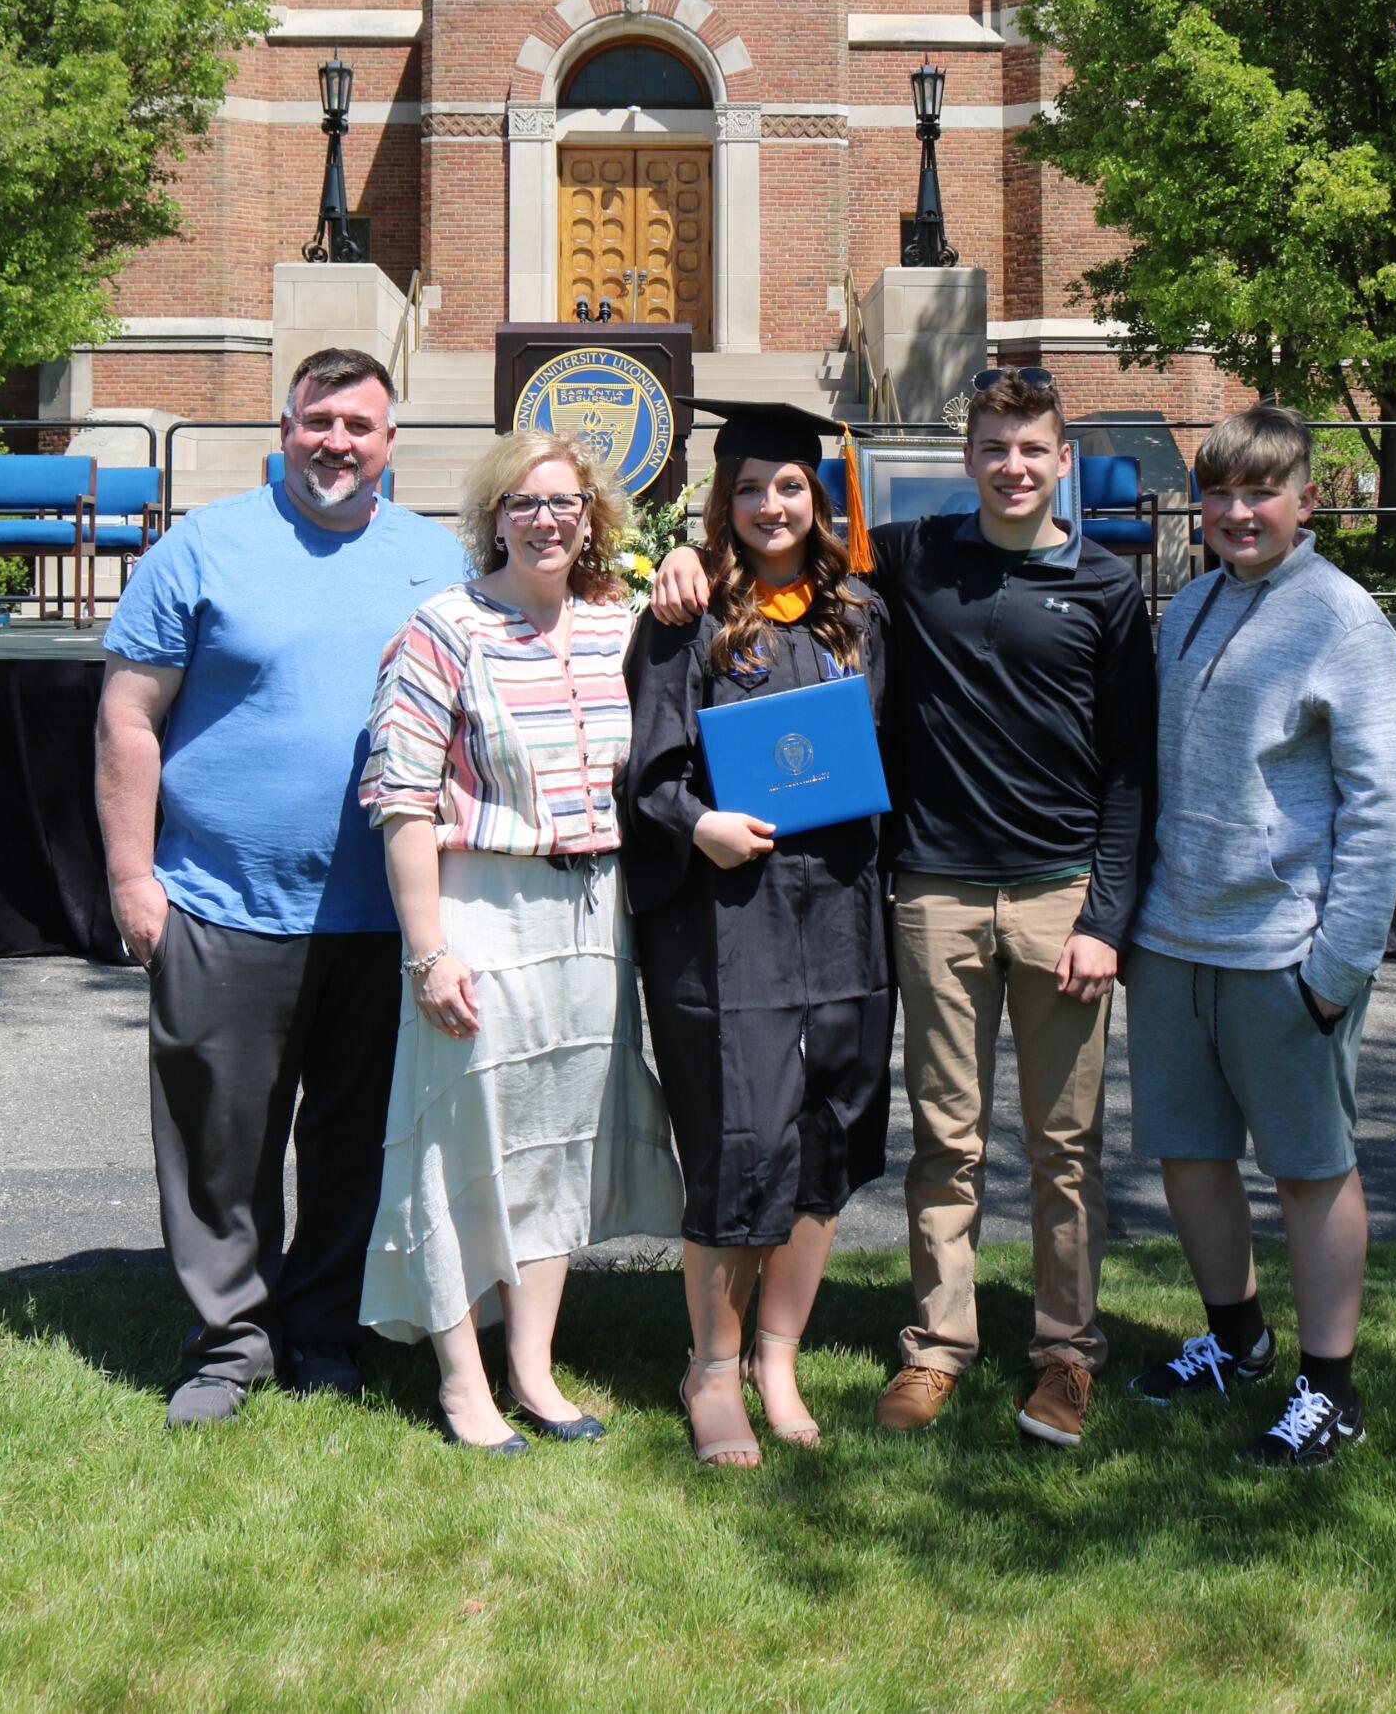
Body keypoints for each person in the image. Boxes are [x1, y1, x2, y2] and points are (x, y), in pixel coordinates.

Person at [653, 368, 1156, 1448]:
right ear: (965, 458)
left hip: (1057, 891)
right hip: (931, 890)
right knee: (946, 1137)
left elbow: (1129, 765)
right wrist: (683, 556)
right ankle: (937, 1345)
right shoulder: (912, 561)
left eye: (1033, 449)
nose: (1013, 467)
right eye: (994, 448)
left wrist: (1106, 917)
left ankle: (1066, 1352)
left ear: (1063, 460)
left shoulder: (1105, 586)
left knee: (1066, 1143)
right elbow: (773, 547)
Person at [95, 349, 470, 1427]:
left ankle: (323, 1333)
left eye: (359, 425)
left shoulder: (436, 558)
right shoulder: (202, 547)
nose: (335, 442)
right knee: (221, 1142)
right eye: (318, 421)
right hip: (221, 903)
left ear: (390, 442)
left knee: (355, 1143)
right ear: (284, 428)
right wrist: (132, 877)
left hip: (383, 915)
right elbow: (128, 715)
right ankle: (228, 1345)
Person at [358, 429, 682, 1451]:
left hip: (594, 918)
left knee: (554, 1145)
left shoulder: (618, 626)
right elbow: (403, 801)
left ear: (593, 517)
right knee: (461, 1144)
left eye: (564, 502)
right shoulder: (443, 628)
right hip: (481, 912)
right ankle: (463, 1381)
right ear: (493, 517)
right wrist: (428, 951)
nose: (546, 519)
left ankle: (532, 1370)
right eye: (524, 502)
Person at [1122, 404, 1396, 1467]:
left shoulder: (1344, 620)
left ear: (1305, 499)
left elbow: (1379, 809)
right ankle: (1237, 1341)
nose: (1238, 512)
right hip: (1172, 938)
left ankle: (1330, 1389)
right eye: (1220, 493)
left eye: (1261, 492)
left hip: (1283, 951)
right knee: (1189, 1154)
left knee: (1308, 1170)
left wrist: (1337, 965)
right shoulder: (1192, 602)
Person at [623, 401, 892, 1468]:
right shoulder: (686, 616)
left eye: (789, 487)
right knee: (740, 1138)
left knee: (829, 1130)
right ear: (721, 502)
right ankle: (711, 1366)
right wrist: (702, 826)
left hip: (843, 910)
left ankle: (779, 1357)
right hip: (727, 916)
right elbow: (650, 771)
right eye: (748, 488)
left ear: (819, 498)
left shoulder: (857, 614)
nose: (771, 506)